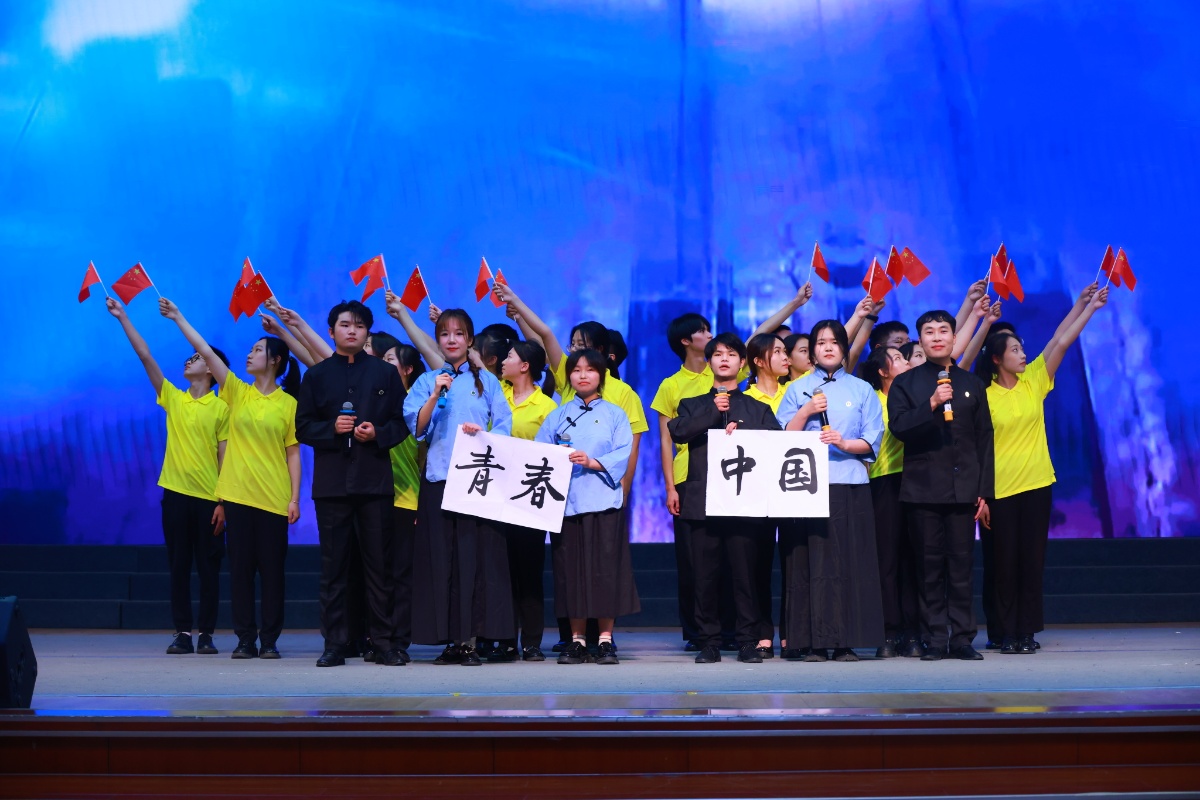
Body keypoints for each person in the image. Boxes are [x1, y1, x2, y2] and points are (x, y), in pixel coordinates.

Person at [159, 297, 302, 660]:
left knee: (272, 574)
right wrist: (178, 317)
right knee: (240, 573)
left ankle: (269, 640)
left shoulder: (289, 404)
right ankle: (245, 639)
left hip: (274, 500)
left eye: (257, 350)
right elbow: (206, 352)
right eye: (250, 350)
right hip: (237, 498)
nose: (249, 355)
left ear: (276, 360)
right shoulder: (236, 392)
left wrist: (294, 498)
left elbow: (293, 453)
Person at [980, 285, 1107, 654]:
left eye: (1022, 348)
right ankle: (1004, 631)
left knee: (1031, 562)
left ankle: (1025, 631)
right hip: (999, 490)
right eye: (1014, 350)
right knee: (1003, 564)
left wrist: (1085, 306)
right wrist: (980, 495)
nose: (1023, 354)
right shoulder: (982, 394)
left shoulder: (1034, 380)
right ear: (996, 359)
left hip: (1037, 485)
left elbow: (1060, 340)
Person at [107, 298, 230, 656]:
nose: (189, 361)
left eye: (197, 358)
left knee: (208, 570)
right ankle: (182, 632)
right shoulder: (173, 398)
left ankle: (206, 634)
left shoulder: (222, 407)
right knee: (178, 567)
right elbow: (145, 356)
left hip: (209, 499)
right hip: (175, 496)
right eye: (189, 357)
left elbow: (225, 457)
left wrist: (223, 502)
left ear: (212, 369)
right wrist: (123, 317)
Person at [295, 301, 410, 668]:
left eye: (359, 326)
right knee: (334, 568)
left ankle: (384, 643)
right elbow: (303, 427)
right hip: (332, 486)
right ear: (331, 331)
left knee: (379, 566)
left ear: (367, 333)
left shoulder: (385, 374)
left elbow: (401, 423)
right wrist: (331, 428)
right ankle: (335, 643)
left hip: (374, 483)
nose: (352, 331)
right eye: (345, 325)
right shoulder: (316, 376)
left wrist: (377, 433)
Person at [402, 308, 514, 666]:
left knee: (473, 561)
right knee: (442, 561)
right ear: (438, 340)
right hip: (439, 480)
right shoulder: (427, 381)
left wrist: (483, 434)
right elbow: (417, 428)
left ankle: (470, 641)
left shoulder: (487, 382)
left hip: (476, 482)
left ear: (470, 340)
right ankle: (450, 640)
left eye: (459, 334)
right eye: (445, 334)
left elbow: (505, 426)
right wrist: (436, 393)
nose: (451, 340)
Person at [669, 333, 782, 664]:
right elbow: (678, 431)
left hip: (743, 503)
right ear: (708, 362)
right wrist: (711, 414)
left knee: (745, 575)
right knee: (704, 577)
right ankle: (708, 641)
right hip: (702, 502)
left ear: (742, 363)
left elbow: (776, 446)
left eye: (731, 354)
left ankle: (747, 640)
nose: (724, 359)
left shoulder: (758, 408)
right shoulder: (693, 405)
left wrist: (743, 432)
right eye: (717, 354)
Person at [777, 320, 885, 662]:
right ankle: (810, 641)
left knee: (849, 563)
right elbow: (781, 436)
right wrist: (807, 410)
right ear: (811, 351)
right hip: (805, 486)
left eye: (834, 342)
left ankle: (844, 642)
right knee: (806, 565)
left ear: (844, 349)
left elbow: (872, 439)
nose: (827, 347)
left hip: (849, 484)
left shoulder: (861, 389)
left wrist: (843, 443)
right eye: (820, 342)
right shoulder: (797, 389)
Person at [888, 309, 993, 661]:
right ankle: (934, 638)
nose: (937, 337)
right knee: (928, 568)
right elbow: (899, 428)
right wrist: (932, 403)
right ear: (920, 339)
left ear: (953, 338)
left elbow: (984, 438)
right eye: (929, 332)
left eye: (943, 331)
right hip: (923, 489)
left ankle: (962, 638)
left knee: (961, 567)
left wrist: (984, 490)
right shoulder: (906, 383)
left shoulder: (971, 382)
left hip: (964, 490)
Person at [535, 349, 638, 665]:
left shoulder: (615, 414)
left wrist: (592, 462)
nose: (582, 375)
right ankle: (577, 639)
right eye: (576, 370)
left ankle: (605, 640)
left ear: (601, 375)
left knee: (606, 571)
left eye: (590, 369)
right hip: (567, 503)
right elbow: (539, 454)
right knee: (571, 573)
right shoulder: (557, 414)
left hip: (604, 502)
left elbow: (624, 451)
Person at [493, 340, 558, 663]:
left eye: (509, 356)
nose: (503, 361)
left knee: (529, 571)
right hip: (493, 494)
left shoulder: (546, 406)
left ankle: (532, 642)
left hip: (530, 497)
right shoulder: (495, 395)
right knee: (500, 572)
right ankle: (504, 640)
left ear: (525, 366)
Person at [858, 345, 922, 658]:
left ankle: (914, 632)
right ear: (882, 372)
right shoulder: (871, 400)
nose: (906, 362)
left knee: (915, 560)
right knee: (887, 561)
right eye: (897, 359)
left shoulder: (919, 396)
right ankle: (888, 631)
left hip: (918, 482)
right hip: (884, 482)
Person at [744, 332, 792, 655]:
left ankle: (791, 632)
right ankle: (762, 632)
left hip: (793, 488)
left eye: (786, 351)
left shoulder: (796, 392)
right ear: (759, 361)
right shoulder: (744, 398)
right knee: (758, 563)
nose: (786, 357)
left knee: (794, 562)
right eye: (778, 351)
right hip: (755, 491)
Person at [379, 340, 426, 664]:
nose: (382, 365)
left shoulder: (418, 405)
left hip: (407, 500)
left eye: (389, 360)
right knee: (376, 573)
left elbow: (424, 460)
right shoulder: (375, 401)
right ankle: (377, 637)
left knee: (401, 575)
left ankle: (399, 639)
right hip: (374, 498)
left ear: (408, 369)